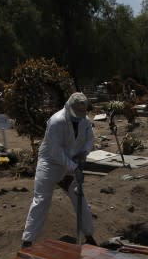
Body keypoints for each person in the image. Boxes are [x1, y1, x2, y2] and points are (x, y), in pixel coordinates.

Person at [22, 92, 97, 248]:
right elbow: (55, 151)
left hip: (72, 163)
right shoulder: (56, 122)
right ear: (69, 107)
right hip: (50, 164)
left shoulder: (84, 121)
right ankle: (27, 241)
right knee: (41, 200)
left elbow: (90, 139)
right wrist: (73, 167)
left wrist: (83, 153)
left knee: (79, 198)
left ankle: (89, 236)